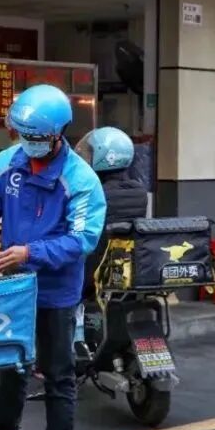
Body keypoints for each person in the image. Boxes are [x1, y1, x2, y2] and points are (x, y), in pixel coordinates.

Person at [0, 84, 106, 430]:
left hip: (55, 291)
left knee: (58, 373)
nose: (28, 143)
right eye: (22, 134)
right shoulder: (9, 161)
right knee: (12, 364)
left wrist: (30, 253)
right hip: (14, 285)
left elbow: (83, 239)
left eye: (36, 137)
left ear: (58, 135)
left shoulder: (81, 180)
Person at [76, 127, 149, 304]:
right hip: (125, 273)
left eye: (89, 154)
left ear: (102, 157)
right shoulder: (139, 192)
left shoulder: (93, 194)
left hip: (90, 276)